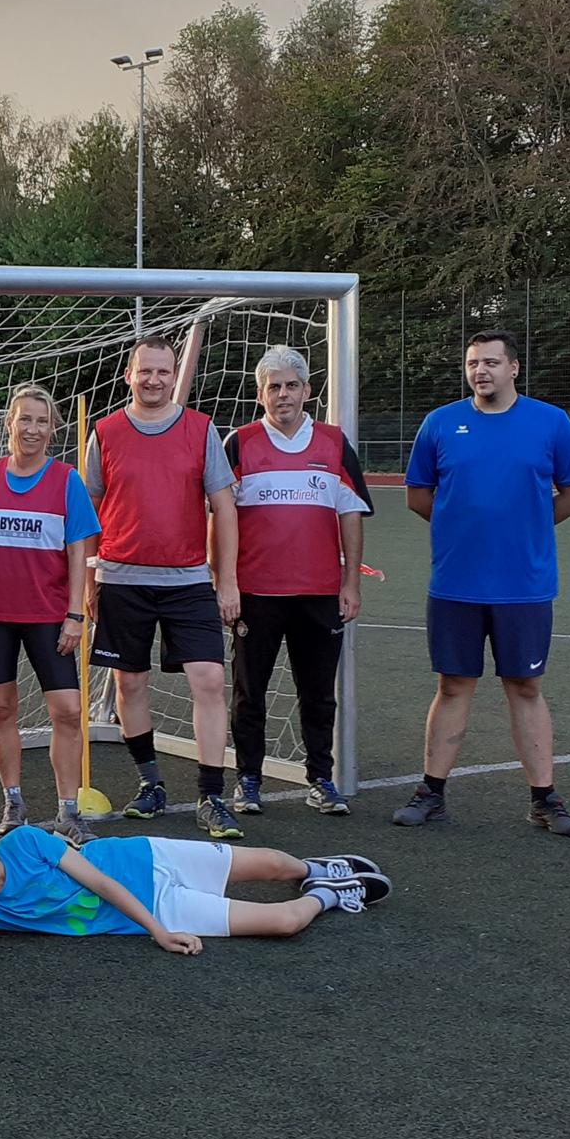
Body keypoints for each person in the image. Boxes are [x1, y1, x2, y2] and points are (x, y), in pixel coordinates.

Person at [394, 330, 570, 836]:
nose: (481, 371)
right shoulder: (440, 424)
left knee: (525, 687)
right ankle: (431, 793)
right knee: (453, 684)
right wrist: (463, 528)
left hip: (523, 584)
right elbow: (418, 496)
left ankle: (544, 799)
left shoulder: (551, 423)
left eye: (492, 363)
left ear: (514, 368)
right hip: (455, 583)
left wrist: (524, 528)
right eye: (473, 363)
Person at [84, 335, 244, 839]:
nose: (153, 379)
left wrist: (228, 580)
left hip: (188, 580)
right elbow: (87, 512)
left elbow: (224, 507)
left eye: (163, 371)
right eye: (144, 371)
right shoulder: (105, 433)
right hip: (120, 579)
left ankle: (212, 794)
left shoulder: (200, 430)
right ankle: (150, 784)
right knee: (128, 683)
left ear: (174, 376)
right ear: (129, 376)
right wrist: (88, 581)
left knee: (209, 681)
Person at [0, 799, 390, 952]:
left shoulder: (25, 842)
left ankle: (317, 868)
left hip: (146, 860)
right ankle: (330, 892)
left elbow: (102, 884)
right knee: (284, 923)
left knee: (278, 864)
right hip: (160, 907)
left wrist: (159, 935)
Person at [223, 345, 374, 817]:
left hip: (319, 591)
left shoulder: (332, 442)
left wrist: (350, 583)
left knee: (318, 691)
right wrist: (223, 580)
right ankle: (248, 779)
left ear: (307, 391)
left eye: (291, 385)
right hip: (256, 592)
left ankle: (321, 779)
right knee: (250, 690)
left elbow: (351, 514)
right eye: (274, 387)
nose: (283, 394)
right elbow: (220, 516)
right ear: (260, 393)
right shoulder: (240, 442)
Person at [0, 384, 102, 842]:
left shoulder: (66, 480)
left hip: (49, 614)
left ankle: (68, 811)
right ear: (10, 424)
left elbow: (79, 550)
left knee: (67, 710)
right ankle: (13, 803)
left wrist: (75, 614)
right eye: (25, 419)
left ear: (51, 429)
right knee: (1, 707)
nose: (32, 429)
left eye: (41, 421)